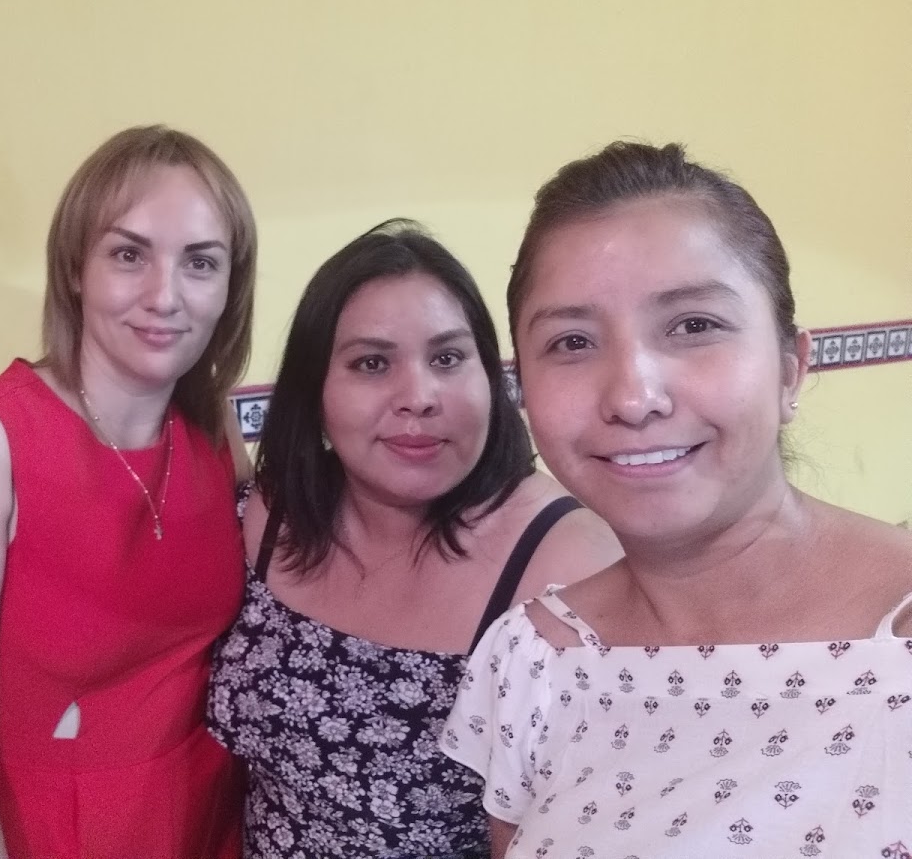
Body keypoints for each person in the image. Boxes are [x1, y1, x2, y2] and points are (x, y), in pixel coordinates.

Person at [442, 142, 912, 859]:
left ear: (790, 368)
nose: (633, 398)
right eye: (572, 341)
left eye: (694, 326)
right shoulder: (535, 662)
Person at [0, 125, 257, 859]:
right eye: (129, 254)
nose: (165, 296)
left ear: (228, 288)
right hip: (46, 830)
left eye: (201, 263)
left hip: (207, 816)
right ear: (76, 268)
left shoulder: (213, 428)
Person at [206, 220, 621, 858]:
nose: (419, 397)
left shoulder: (569, 566)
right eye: (372, 363)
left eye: (448, 358)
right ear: (315, 393)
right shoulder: (271, 515)